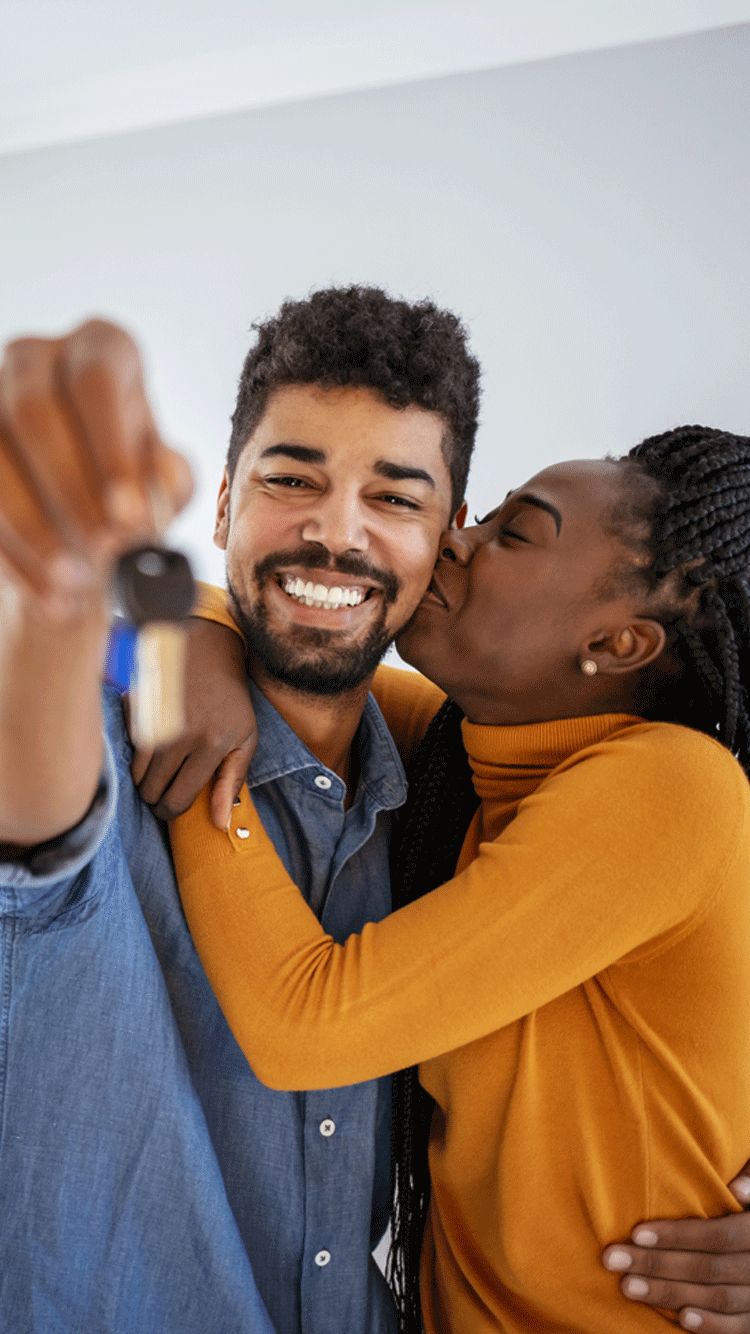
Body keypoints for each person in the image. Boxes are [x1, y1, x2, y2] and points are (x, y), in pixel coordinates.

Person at [166, 426, 750, 1332]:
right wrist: (195, 641)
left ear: (621, 641)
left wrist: (202, 762)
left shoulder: (673, 785)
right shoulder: (468, 762)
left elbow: (304, 1024)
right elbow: (250, 641)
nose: (449, 539)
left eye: (517, 533)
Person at [0, 289, 479, 1334]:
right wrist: (50, 593)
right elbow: (32, 822)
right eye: (290, 477)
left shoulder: (454, 802)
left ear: (448, 544)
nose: (334, 530)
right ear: (220, 505)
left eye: (395, 498)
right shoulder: (128, 724)